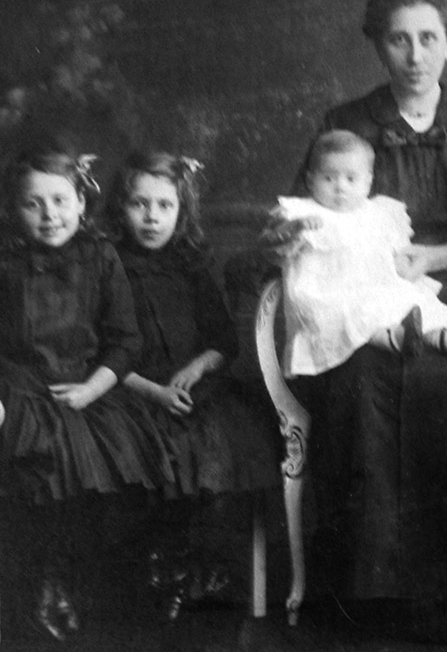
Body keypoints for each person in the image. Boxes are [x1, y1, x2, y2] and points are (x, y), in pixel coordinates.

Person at [257, 0, 447, 639]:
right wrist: (287, 235)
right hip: (368, 305)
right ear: (378, 46)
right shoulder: (346, 123)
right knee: (366, 385)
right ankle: (379, 593)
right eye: (398, 40)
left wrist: (435, 259)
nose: (415, 56)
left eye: (429, 38)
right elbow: (305, 214)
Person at [0, 142, 170, 641]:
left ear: (81, 201)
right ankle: (45, 584)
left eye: (59, 200)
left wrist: (93, 389)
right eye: (33, 204)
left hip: (86, 386)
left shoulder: (101, 257)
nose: (49, 215)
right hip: (23, 387)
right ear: (14, 209)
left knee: (131, 463)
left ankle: (91, 586)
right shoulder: (1, 262)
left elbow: (125, 341)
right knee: (48, 462)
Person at [104, 151, 281, 621]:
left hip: (193, 387)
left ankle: (191, 563)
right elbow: (101, 351)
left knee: (222, 439)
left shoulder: (191, 266)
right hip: (132, 388)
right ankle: (157, 566)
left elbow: (223, 341)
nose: (152, 217)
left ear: (181, 211)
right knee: (157, 449)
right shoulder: (108, 264)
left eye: (164, 206)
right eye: (139, 204)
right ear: (121, 208)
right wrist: (153, 390)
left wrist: (198, 367)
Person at [266, 130, 447, 370]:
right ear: (310, 180)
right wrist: (296, 227)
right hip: (327, 292)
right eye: (328, 178)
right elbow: (272, 242)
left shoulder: (378, 212)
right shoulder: (301, 211)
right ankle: (398, 339)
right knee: (357, 311)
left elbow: (396, 249)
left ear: (368, 182)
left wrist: (399, 262)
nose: (340, 187)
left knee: (410, 298)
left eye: (351, 179)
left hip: (374, 284)